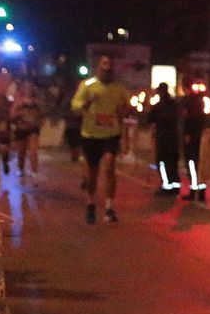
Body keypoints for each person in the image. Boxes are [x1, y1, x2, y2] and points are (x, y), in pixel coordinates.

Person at [69, 55, 133, 223]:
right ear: (98, 67)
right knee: (92, 174)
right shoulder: (88, 85)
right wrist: (87, 103)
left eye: (110, 66)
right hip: (91, 135)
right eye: (104, 65)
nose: (107, 69)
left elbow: (128, 107)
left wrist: (124, 110)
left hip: (111, 134)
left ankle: (109, 208)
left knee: (110, 166)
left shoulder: (119, 88)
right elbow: (75, 105)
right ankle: (91, 205)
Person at [148, 83, 181, 195]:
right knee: (173, 163)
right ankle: (175, 186)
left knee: (161, 162)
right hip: (174, 138)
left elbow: (149, 119)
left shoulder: (158, 106)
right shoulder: (175, 104)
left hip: (162, 138)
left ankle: (166, 186)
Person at [10, 80, 44, 179]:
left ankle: (34, 172)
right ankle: (21, 169)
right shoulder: (18, 100)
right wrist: (19, 112)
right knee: (21, 153)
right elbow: (12, 114)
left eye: (30, 88)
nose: (28, 89)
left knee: (33, 151)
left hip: (33, 129)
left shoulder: (36, 101)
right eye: (26, 87)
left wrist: (39, 120)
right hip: (21, 128)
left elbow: (42, 113)